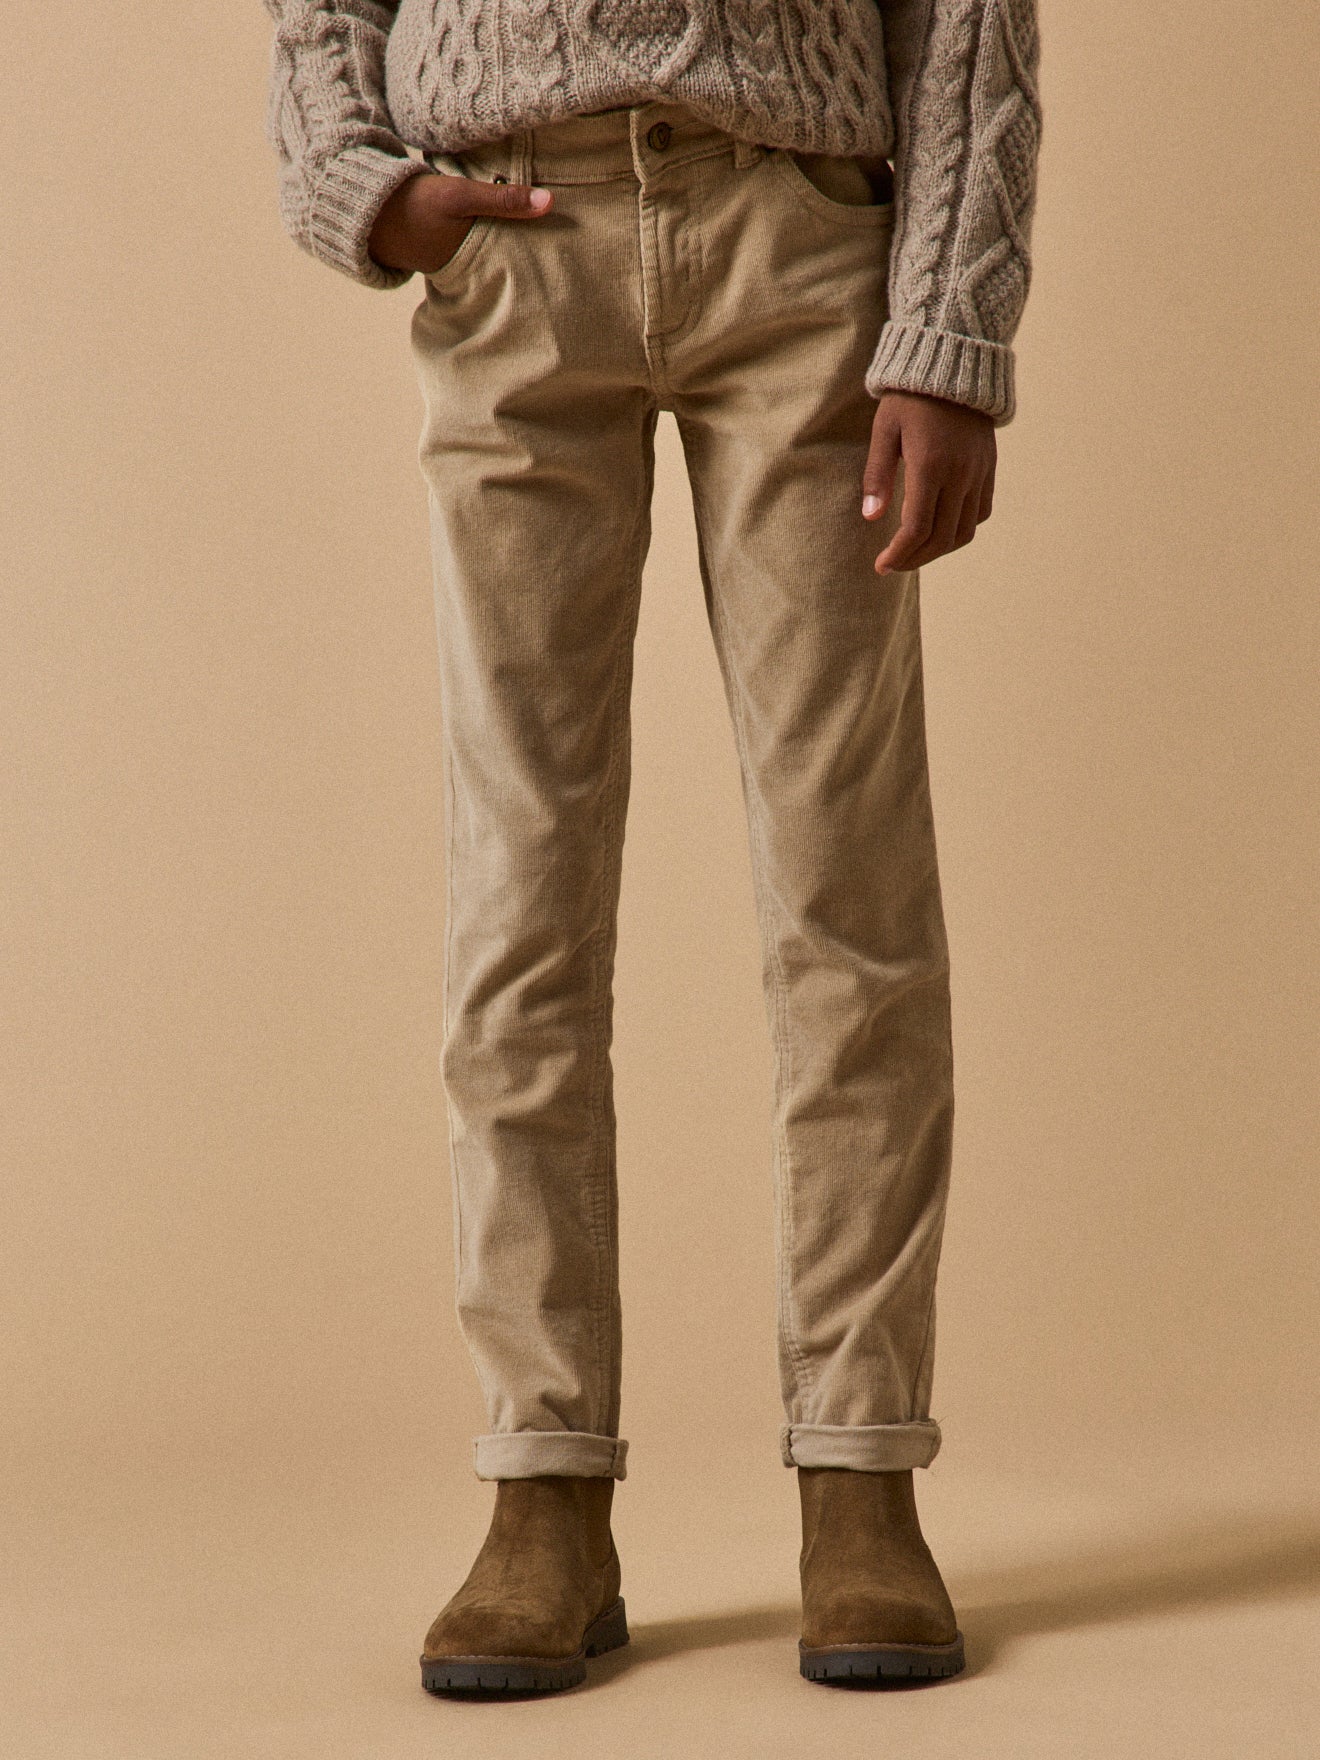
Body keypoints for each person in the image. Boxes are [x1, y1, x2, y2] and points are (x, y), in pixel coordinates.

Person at [261, 0, 1040, 1696]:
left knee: (848, 889)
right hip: (511, 243)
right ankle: (541, 1485)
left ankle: (862, 1471)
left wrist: (947, 330)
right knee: (520, 897)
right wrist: (357, 177)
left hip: (800, 237)